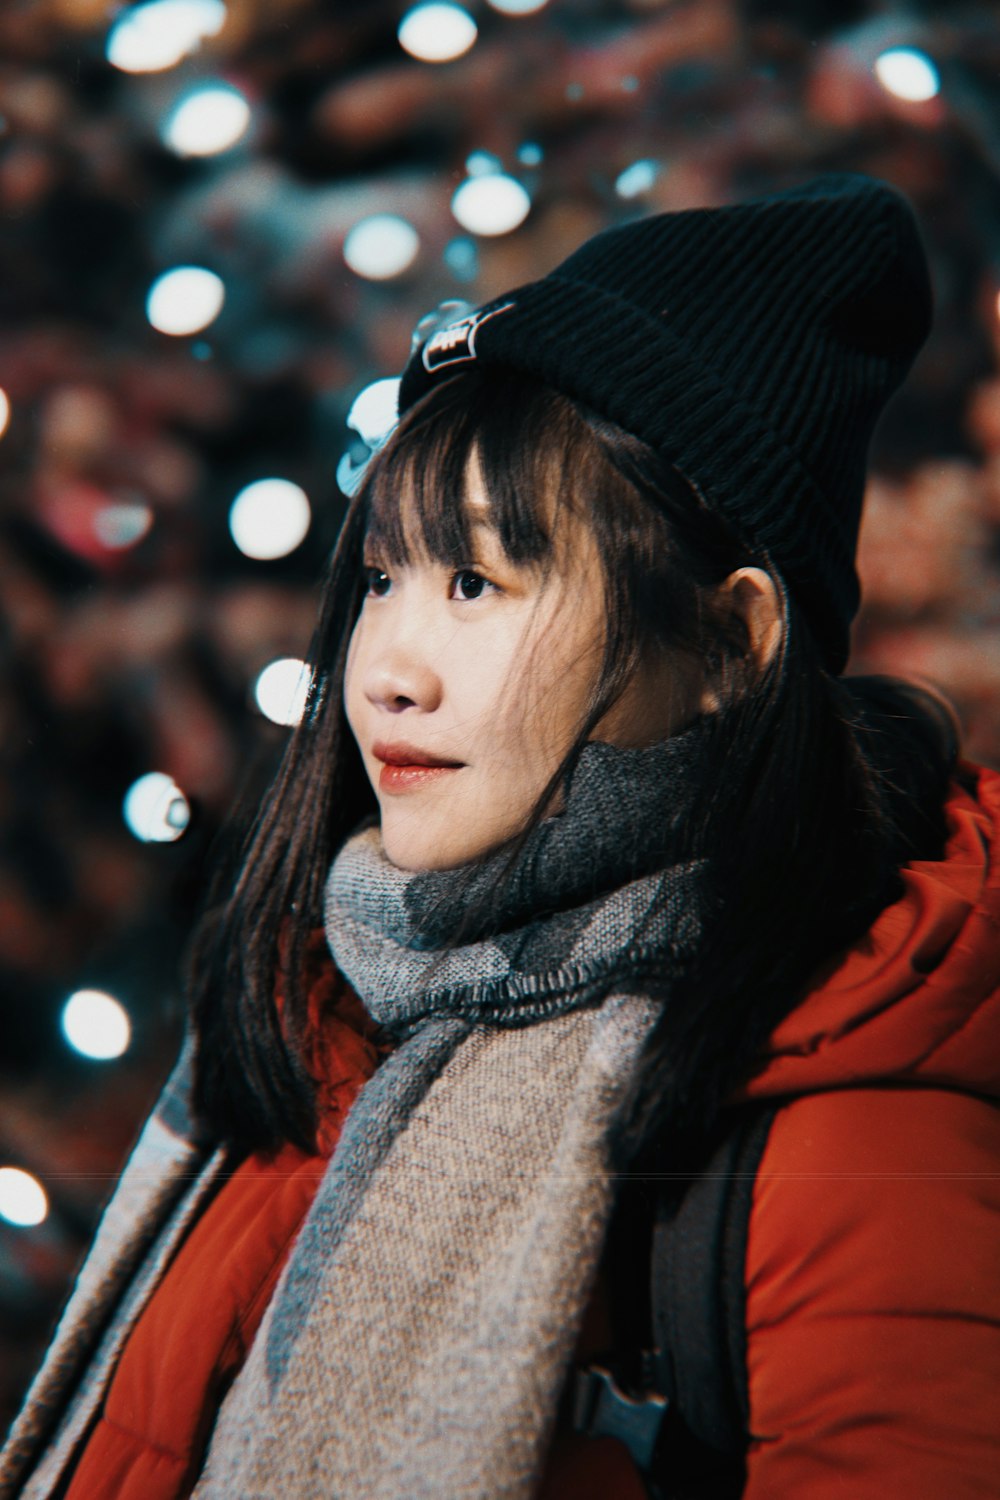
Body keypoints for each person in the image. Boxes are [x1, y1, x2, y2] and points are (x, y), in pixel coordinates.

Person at [2, 174, 999, 1500]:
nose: (388, 670)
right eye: (382, 579)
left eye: (478, 581)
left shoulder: (852, 1138)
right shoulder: (328, 1000)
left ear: (733, 643)